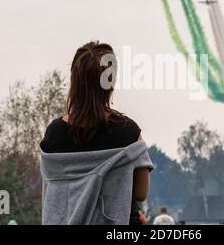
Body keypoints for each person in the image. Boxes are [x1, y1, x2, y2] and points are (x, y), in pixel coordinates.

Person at [40, 41, 153, 225]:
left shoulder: (54, 134)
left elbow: (51, 192)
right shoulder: (129, 132)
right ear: (110, 83)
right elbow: (141, 193)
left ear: (74, 81)